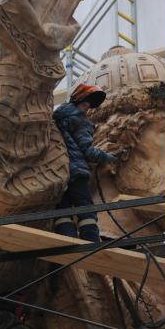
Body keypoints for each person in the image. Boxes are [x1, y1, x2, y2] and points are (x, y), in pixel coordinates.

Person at [53, 83, 119, 243]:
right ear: (79, 100)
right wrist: (109, 157)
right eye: (86, 103)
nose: (88, 107)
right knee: (86, 208)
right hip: (76, 171)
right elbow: (88, 152)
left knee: (63, 209)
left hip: (57, 171)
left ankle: (66, 241)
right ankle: (91, 241)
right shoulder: (79, 120)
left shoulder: (57, 116)